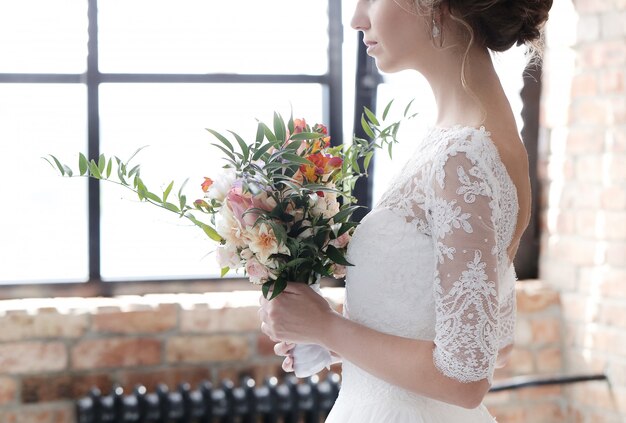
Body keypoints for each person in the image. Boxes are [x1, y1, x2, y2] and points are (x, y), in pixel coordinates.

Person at [258, 0, 552, 420]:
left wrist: (328, 327)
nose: (357, 18)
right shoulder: (471, 140)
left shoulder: (463, 155)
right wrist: (332, 342)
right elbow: (493, 342)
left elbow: (465, 380)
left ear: (435, 6)